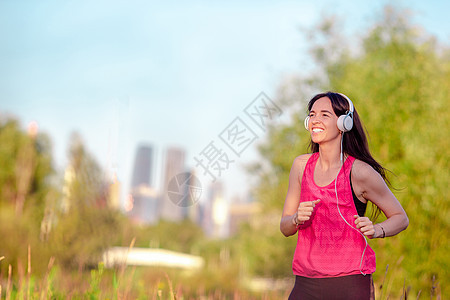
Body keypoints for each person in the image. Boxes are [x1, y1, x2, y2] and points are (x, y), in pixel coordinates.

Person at [280, 92, 409, 300]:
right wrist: (295, 219)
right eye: (312, 115)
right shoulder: (300, 166)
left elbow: (401, 218)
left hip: (350, 283)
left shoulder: (360, 172)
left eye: (324, 115)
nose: (315, 121)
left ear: (344, 122)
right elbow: (284, 227)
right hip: (306, 282)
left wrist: (377, 230)